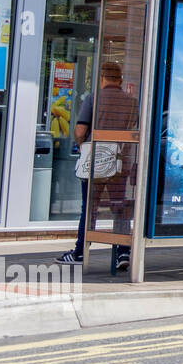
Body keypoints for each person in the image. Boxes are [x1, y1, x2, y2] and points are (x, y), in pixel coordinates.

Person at [58, 62, 137, 268]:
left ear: (102, 78)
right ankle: (123, 253)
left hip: (96, 162)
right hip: (121, 163)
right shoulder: (131, 102)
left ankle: (80, 252)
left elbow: (80, 131)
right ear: (120, 80)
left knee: (90, 207)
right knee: (119, 208)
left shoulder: (93, 99)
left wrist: (81, 145)